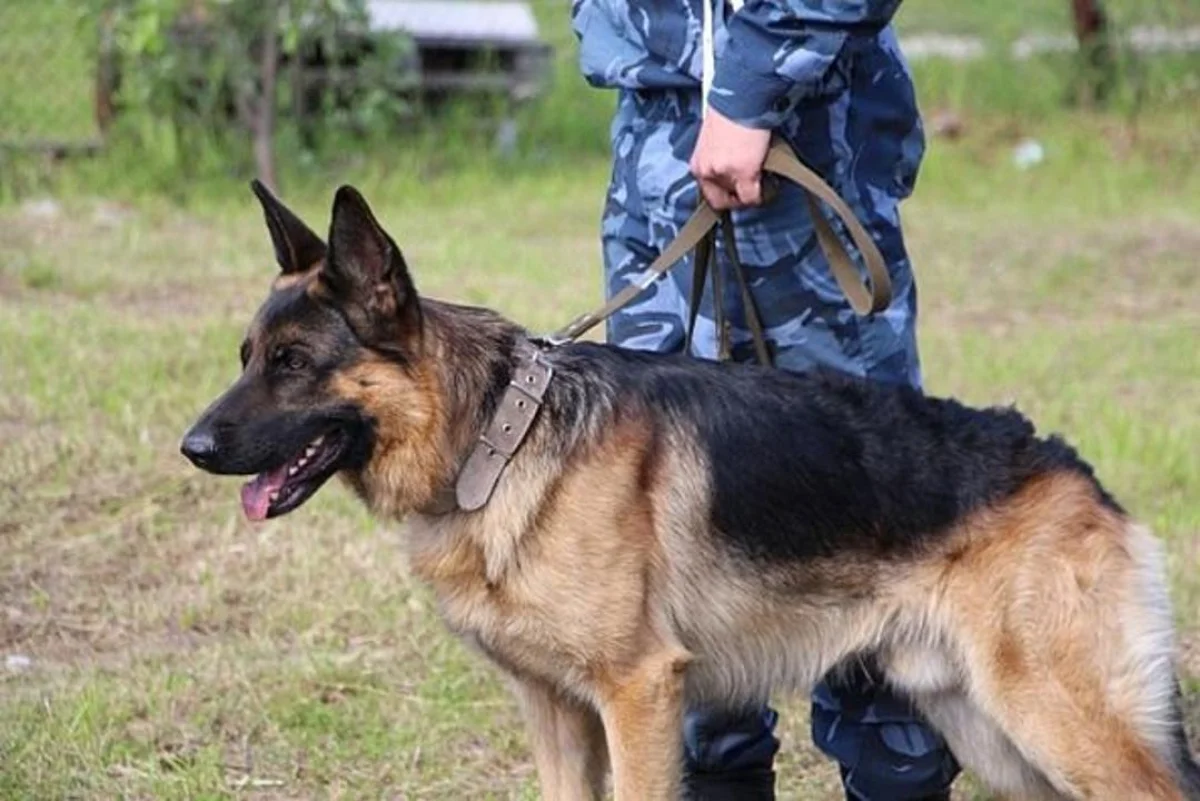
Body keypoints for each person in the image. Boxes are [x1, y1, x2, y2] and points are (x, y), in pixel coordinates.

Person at [569, 1, 962, 799]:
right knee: (664, 522)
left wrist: (746, 91)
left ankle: (897, 770)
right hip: (654, 125)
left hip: (793, 123)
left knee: (864, 518)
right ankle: (716, 768)